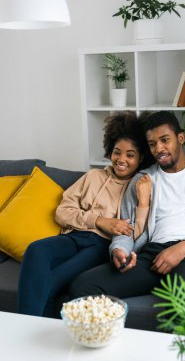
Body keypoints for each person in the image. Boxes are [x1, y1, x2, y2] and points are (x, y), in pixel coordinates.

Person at [69, 110, 185, 302]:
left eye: (165, 140)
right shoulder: (142, 180)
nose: (159, 148)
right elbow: (126, 228)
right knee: (82, 286)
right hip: (152, 256)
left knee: (184, 300)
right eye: (152, 144)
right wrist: (119, 251)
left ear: (180, 138)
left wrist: (184, 247)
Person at [17, 111, 152, 318]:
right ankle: (25, 327)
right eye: (117, 152)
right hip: (73, 236)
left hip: (101, 246)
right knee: (35, 249)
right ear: (110, 151)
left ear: (141, 157)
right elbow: (62, 212)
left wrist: (141, 204)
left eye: (130, 154)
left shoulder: (140, 186)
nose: (121, 159)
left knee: (50, 283)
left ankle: (29, 332)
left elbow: (137, 232)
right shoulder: (93, 176)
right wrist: (99, 220)